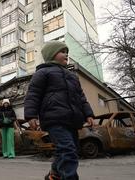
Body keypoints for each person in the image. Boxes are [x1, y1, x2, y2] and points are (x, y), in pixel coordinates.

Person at [24, 41, 95, 180]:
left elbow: (81, 97)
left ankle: (54, 174)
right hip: (54, 119)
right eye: (62, 51)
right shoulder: (43, 72)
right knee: (68, 150)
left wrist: (88, 113)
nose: (66, 54)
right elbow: (33, 94)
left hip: (72, 121)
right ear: (51, 55)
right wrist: (31, 115)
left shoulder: (73, 76)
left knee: (68, 150)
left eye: (67, 51)